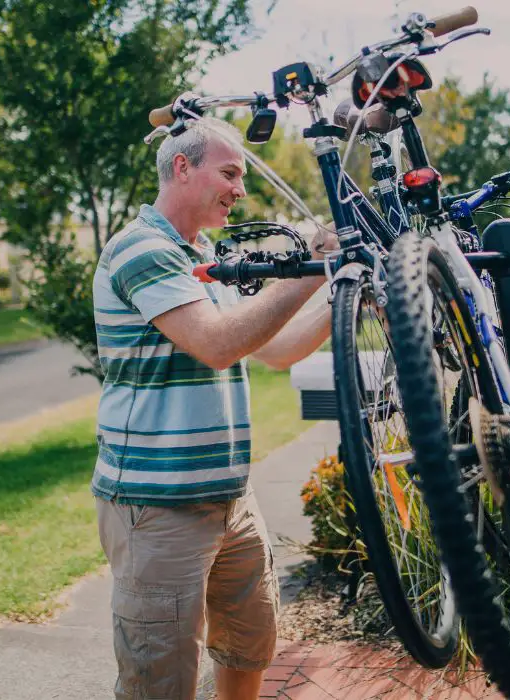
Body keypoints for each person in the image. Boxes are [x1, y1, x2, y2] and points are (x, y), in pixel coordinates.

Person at [91, 116, 335, 700]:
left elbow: (272, 349)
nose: (240, 190)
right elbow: (220, 344)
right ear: (182, 167)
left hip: (230, 499)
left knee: (249, 645)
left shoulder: (202, 254)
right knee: (161, 678)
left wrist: (343, 291)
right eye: (229, 172)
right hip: (159, 505)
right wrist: (309, 264)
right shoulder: (142, 251)